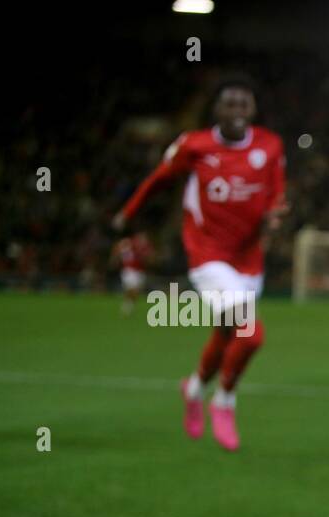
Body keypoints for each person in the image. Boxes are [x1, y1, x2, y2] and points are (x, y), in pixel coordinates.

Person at [113, 77, 287, 451]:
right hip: (208, 255)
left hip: (249, 258)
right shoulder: (194, 145)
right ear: (217, 110)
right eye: (230, 104)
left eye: (244, 104)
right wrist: (128, 212)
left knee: (227, 334)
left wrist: (274, 214)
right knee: (250, 334)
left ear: (253, 110)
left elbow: (276, 193)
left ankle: (192, 388)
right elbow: (158, 180)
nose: (237, 111)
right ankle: (224, 400)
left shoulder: (270, 146)